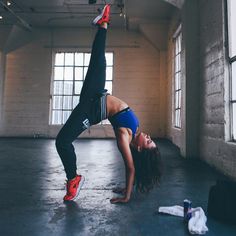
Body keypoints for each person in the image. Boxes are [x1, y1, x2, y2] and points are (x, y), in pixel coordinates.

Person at [55, 4, 162, 204]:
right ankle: (103, 24)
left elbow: (130, 167)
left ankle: (73, 179)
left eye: (148, 141)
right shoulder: (135, 130)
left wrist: (126, 196)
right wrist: (126, 187)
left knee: (62, 142)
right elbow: (133, 168)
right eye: (150, 139)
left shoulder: (125, 136)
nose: (148, 136)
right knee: (98, 59)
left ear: (138, 148)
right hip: (95, 96)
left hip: (92, 107)